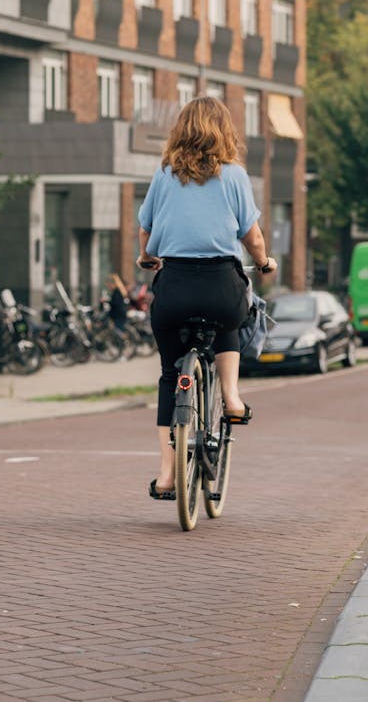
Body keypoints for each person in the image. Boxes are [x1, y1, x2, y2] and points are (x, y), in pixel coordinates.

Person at [137, 95, 276, 500]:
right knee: (233, 318)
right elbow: (252, 236)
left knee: (168, 375)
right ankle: (232, 397)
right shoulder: (234, 176)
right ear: (224, 132)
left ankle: (167, 475)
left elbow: (146, 229)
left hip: (174, 284)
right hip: (220, 282)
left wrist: (148, 257)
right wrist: (264, 262)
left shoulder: (164, 174)